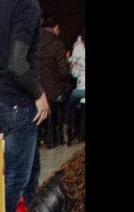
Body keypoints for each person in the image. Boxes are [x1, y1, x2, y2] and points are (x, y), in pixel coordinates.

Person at [0, 0, 49, 212]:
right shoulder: (27, 7)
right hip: (19, 103)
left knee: (28, 178)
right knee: (16, 180)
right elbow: (17, 63)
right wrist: (38, 94)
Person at [37, 16, 73, 146]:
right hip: (54, 90)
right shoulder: (57, 44)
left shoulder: (33, 42)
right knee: (68, 95)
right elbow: (63, 72)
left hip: (36, 89)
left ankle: (42, 136)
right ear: (56, 28)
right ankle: (61, 135)